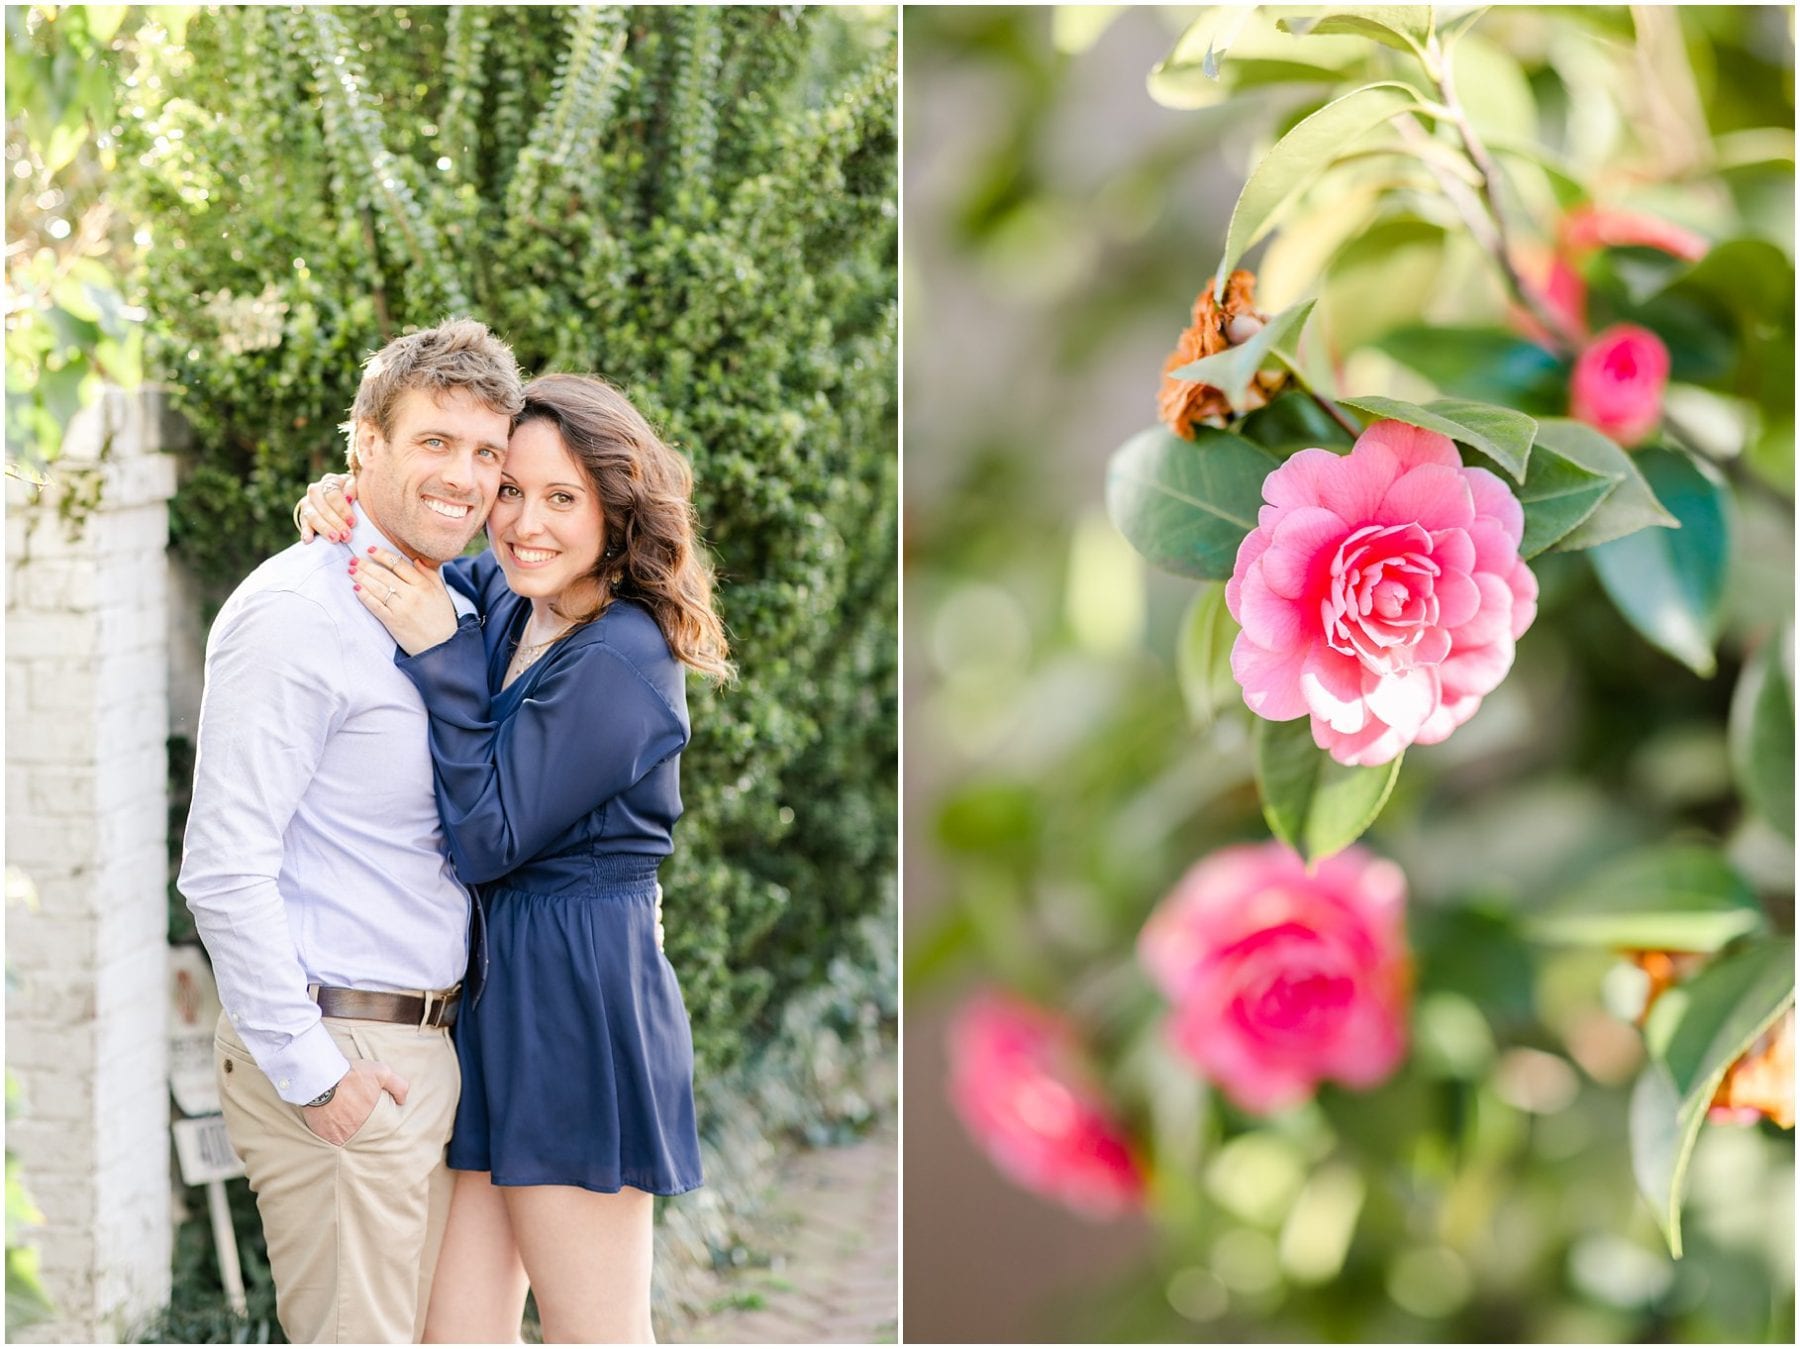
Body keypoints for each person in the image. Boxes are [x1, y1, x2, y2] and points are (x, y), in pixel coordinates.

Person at [294, 371, 732, 1343]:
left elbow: (487, 835)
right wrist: (338, 502)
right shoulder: (518, 590)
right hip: (493, 999)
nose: (526, 522)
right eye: (512, 490)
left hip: (575, 1001)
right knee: (457, 1331)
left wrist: (439, 654)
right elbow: (414, 565)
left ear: (615, 510)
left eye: (563, 497)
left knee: (595, 1332)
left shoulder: (623, 655)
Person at [179, 317, 525, 1343]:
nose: (463, 476)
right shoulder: (295, 613)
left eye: (485, 452)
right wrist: (316, 1072)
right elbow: (221, 866)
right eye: (433, 441)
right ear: (364, 444)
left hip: (429, 1049)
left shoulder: (451, 601)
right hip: (343, 1049)